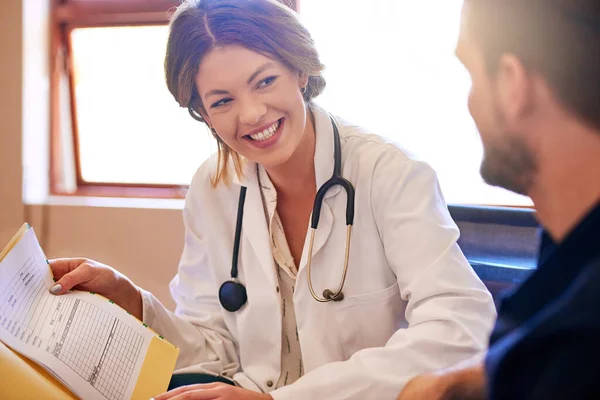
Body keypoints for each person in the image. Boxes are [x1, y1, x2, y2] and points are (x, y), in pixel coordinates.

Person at [48, 0, 496, 399]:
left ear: (300, 71)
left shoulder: (389, 173)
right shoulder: (213, 187)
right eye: (222, 101)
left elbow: (459, 330)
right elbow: (214, 347)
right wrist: (132, 301)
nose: (251, 114)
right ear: (202, 113)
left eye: (264, 81)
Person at [398, 0, 600, 399]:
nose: (470, 103)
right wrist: (458, 381)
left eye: (471, 73)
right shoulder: (571, 241)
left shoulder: (578, 353)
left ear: (512, 83)